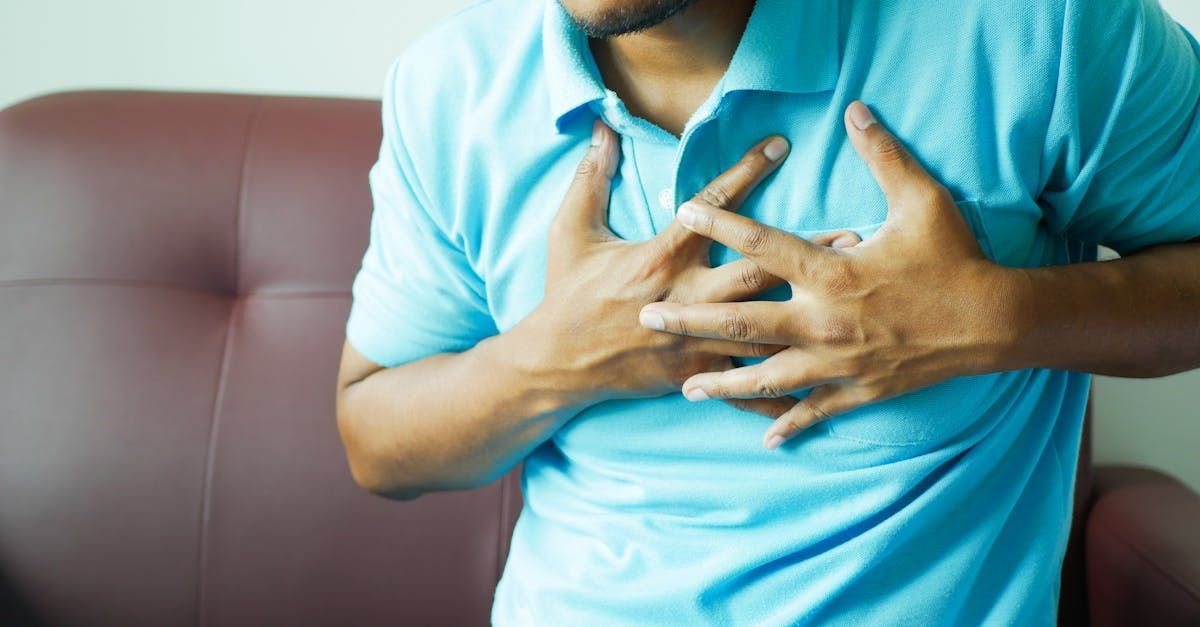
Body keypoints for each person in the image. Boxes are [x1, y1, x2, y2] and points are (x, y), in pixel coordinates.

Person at [334, 0, 1200, 623]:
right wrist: (554, 359)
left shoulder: (1043, 25)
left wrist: (996, 319)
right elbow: (375, 438)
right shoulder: (445, 89)